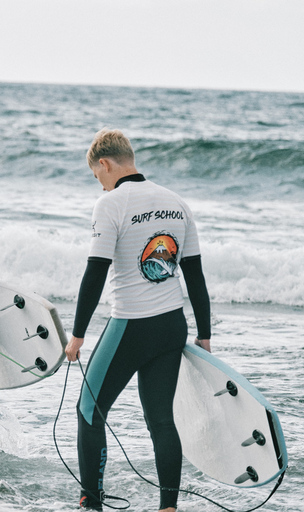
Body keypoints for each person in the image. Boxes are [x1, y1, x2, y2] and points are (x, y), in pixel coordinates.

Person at [65, 129, 211, 512]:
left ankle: (91, 503)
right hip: (172, 325)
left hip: (131, 324)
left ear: (105, 164)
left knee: (88, 411)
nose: (100, 186)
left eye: (98, 177)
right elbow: (195, 276)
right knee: (162, 420)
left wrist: (77, 335)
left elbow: (95, 273)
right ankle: (168, 507)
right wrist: (205, 334)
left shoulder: (112, 204)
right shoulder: (177, 202)